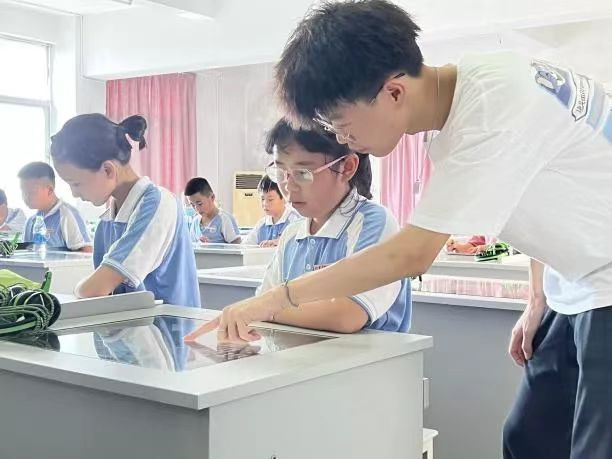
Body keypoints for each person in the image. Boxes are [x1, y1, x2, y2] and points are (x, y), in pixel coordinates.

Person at [185, 2, 612, 458]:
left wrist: (274, 299)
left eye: (341, 125)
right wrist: (537, 297)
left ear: (393, 92)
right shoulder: (481, 86)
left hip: (604, 282)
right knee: (527, 440)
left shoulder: (490, 111)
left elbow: (411, 255)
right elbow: (546, 195)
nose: (342, 139)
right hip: (575, 284)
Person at [49, 113, 200, 308]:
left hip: (166, 326)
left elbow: (94, 289)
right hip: (131, 324)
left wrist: (79, 289)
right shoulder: (107, 222)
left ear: (108, 170)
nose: (74, 193)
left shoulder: (159, 204)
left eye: (76, 183)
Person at [18, 162, 92, 252]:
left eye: (31, 192)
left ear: (50, 190)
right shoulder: (31, 222)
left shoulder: (66, 215)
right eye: (23, 192)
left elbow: (86, 251)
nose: (26, 197)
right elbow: (26, 253)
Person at [242, 174, 301, 247]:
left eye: (270, 199)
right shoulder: (261, 224)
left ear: (284, 197)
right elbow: (246, 245)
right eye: (262, 199)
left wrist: (279, 242)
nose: (265, 203)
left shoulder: (294, 220)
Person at [184, 177, 241, 244]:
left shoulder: (224, 219)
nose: (196, 208)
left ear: (212, 197)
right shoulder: (195, 222)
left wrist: (212, 246)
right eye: (192, 205)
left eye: (199, 204)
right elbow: (191, 246)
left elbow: (237, 246)